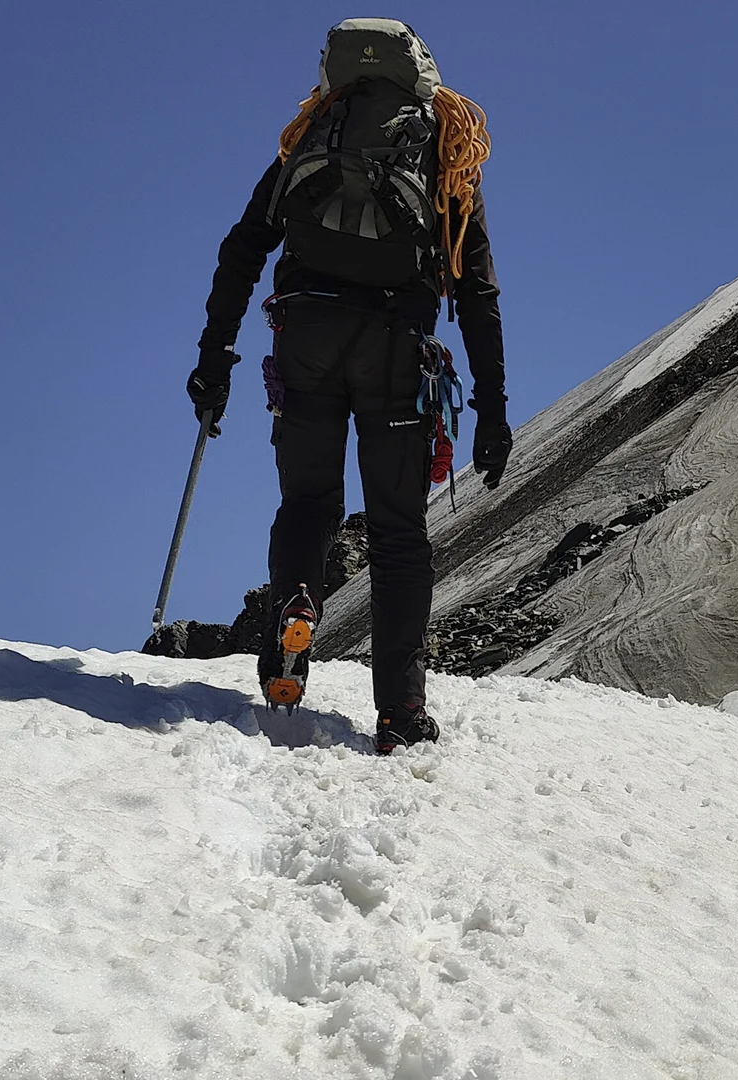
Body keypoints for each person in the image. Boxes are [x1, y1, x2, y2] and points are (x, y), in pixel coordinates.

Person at [187, 19, 511, 755]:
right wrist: (491, 409)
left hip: (304, 335)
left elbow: (244, 246)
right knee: (398, 532)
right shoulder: (444, 147)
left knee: (307, 503)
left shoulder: (313, 134)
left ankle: (295, 615)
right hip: (396, 347)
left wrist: (215, 353)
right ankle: (400, 711)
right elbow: (477, 290)